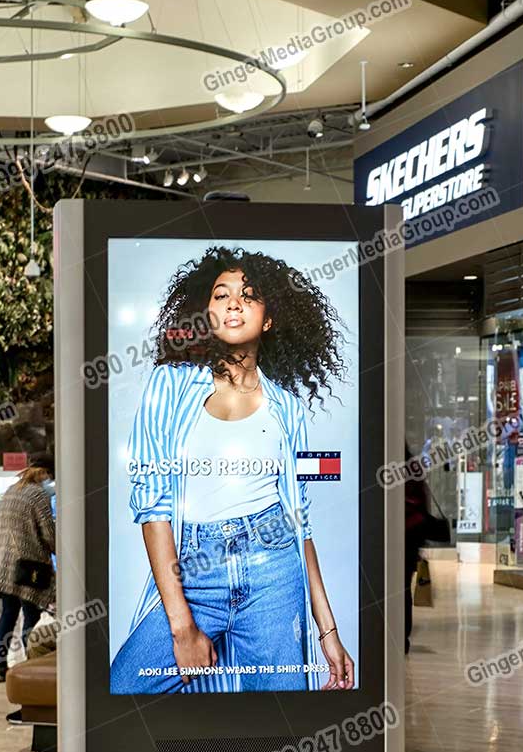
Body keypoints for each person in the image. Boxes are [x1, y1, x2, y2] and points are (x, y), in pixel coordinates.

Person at [110, 246, 355, 694]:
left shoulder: (287, 407)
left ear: (269, 319)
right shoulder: (170, 385)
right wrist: (183, 628)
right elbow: (153, 507)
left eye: (248, 294)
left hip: (273, 569)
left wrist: (329, 633)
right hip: (195, 567)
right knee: (126, 687)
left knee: (281, 721)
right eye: (221, 295)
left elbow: (299, 520)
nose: (233, 303)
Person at [0, 453, 56, 684]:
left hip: (4, 563)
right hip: (29, 565)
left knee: (8, 613)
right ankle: (32, 665)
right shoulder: (38, 495)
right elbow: (48, 533)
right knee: (32, 615)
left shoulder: (11, 491)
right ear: (45, 473)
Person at [404, 447, 430, 655]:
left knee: (400, 589)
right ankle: (403, 636)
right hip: (410, 540)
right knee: (403, 589)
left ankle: (399, 634)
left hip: (404, 538)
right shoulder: (414, 469)